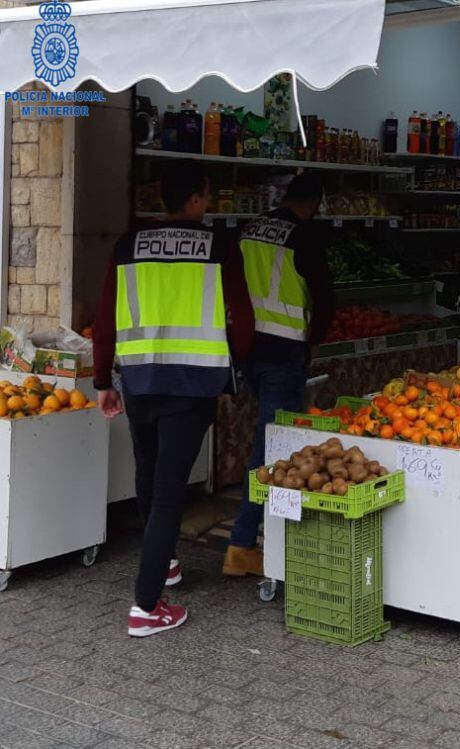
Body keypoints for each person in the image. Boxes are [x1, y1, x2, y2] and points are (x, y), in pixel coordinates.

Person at [94, 160, 254, 637]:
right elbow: (241, 320)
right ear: (197, 198)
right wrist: (234, 367)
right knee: (168, 494)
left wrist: (103, 379)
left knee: (150, 475)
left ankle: (162, 564)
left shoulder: (128, 245)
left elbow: (106, 317)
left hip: (139, 380)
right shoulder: (219, 246)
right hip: (191, 385)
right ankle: (146, 607)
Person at [223, 172, 334, 577]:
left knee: (268, 440)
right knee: (271, 447)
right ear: (315, 201)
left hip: (249, 349)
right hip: (284, 352)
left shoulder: (249, 228)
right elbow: (323, 297)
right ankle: (242, 542)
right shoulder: (303, 237)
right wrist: (314, 339)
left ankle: (265, 534)